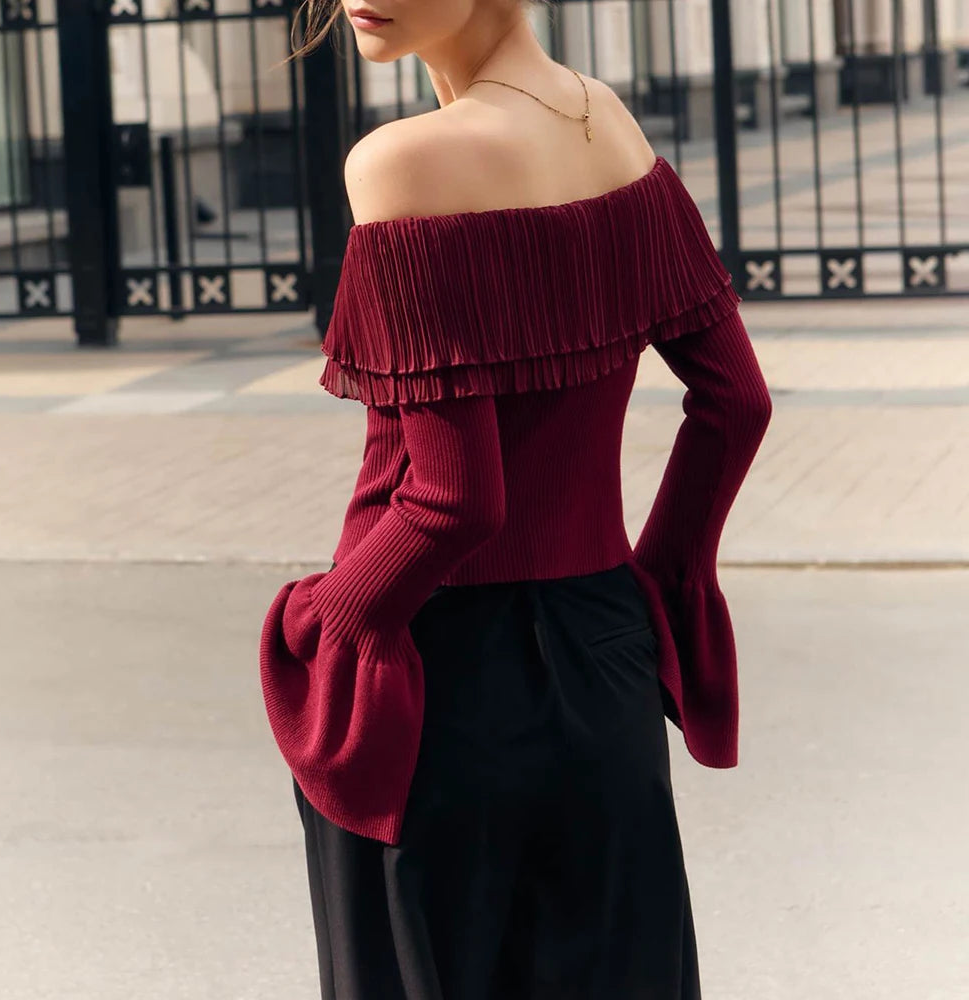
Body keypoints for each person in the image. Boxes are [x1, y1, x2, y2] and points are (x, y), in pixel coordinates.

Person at [258, 1, 774, 996]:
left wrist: (333, 622)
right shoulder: (606, 124)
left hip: (435, 678)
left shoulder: (399, 163)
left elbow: (453, 502)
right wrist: (663, 581)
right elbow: (735, 403)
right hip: (604, 658)